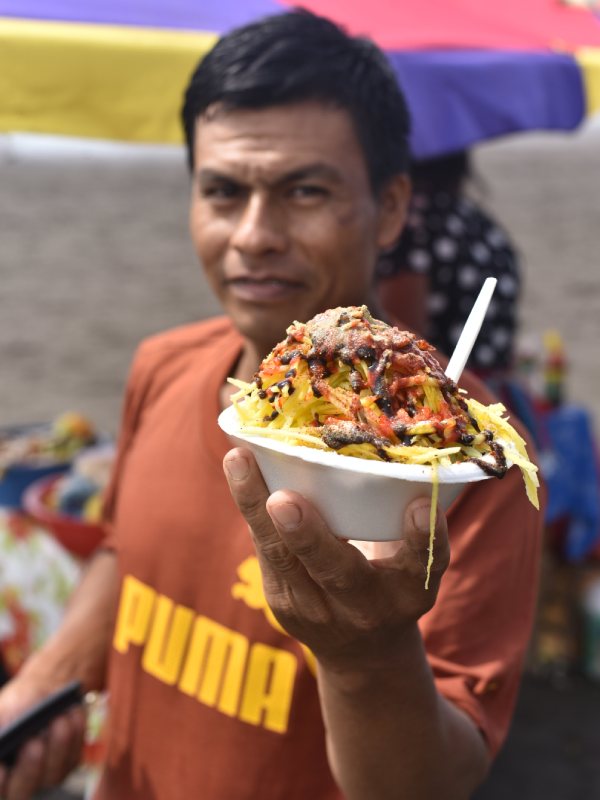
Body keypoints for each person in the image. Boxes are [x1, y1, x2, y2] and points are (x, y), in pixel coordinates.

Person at [0, 10, 543, 800]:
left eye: (304, 190)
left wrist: (367, 656)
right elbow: (127, 548)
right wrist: (44, 678)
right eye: (223, 190)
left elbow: (436, 780)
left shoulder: (470, 464)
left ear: (391, 206)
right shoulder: (163, 363)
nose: (254, 234)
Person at [376, 151, 522, 382]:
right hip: (502, 392)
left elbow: (396, 348)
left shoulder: (413, 228)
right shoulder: (478, 221)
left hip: (455, 396)